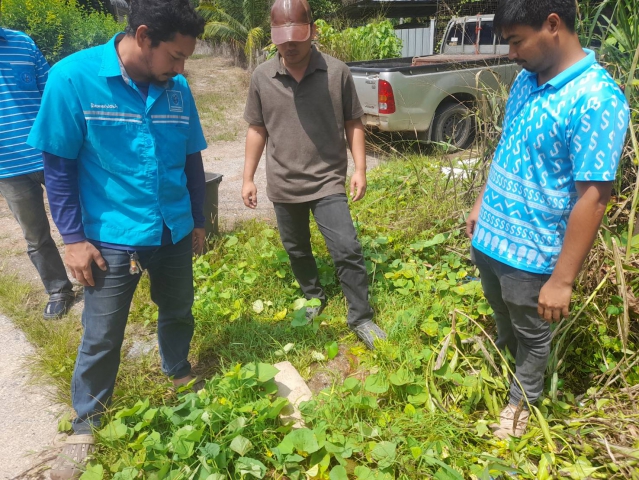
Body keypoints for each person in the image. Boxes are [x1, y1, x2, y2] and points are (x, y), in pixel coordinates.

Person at [27, 0, 207, 477]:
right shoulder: (72, 78)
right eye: (175, 55)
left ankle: (178, 371)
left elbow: (191, 158)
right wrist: (72, 239)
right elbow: (58, 166)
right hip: (111, 236)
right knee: (102, 333)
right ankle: (87, 421)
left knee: (178, 309)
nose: (181, 68)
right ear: (143, 36)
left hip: (172, 227)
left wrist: (199, 220)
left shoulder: (177, 88)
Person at [466, 0, 629, 439]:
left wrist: (562, 280)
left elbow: (593, 197)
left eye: (517, 41)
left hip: (531, 253)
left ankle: (522, 401)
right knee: (502, 311)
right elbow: (508, 146)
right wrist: (482, 202)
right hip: (490, 238)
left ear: (552, 25)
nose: (511, 53)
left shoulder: (596, 99)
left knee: (533, 333)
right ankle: (506, 358)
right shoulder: (526, 79)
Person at [242, 0, 386, 350]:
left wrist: (360, 168)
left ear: (313, 32)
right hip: (284, 183)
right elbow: (257, 129)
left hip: (327, 180)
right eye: (282, 39)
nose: (290, 45)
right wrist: (247, 178)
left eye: (297, 37)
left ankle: (361, 317)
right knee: (296, 249)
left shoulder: (336, 72)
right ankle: (313, 296)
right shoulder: (262, 77)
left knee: (347, 247)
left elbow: (353, 122)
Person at [0, 27, 75, 319]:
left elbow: (50, 93)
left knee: (82, 216)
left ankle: (103, 277)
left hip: (50, 153)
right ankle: (59, 290)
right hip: (8, 167)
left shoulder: (23, 43)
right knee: (35, 235)